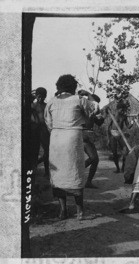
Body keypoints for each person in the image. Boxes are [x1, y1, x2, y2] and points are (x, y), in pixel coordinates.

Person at [44, 74, 95, 220]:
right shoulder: (78, 99)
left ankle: (63, 211)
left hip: (56, 140)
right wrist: (89, 94)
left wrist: (58, 131)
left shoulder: (51, 102)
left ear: (58, 87)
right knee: (75, 172)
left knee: (59, 175)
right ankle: (80, 212)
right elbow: (95, 108)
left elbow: (48, 123)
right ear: (73, 87)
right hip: (72, 139)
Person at [78, 90, 104, 188]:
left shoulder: (91, 110)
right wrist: (88, 94)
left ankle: (86, 180)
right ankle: (77, 173)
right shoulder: (82, 106)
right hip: (82, 134)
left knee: (94, 159)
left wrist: (101, 117)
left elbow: (99, 123)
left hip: (87, 135)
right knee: (94, 158)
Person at [106, 99, 133, 173]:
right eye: (121, 109)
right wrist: (108, 139)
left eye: (123, 110)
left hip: (120, 134)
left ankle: (123, 168)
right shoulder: (113, 115)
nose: (122, 111)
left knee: (125, 151)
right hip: (112, 134)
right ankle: (117, 168)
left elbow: (128, 126)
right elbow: (109, 127)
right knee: (114, 152)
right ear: (118, 109)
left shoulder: (124, 116)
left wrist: (133, 122)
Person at [32, 87, 50, 177]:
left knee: (47, 151)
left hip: (44, 130)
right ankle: (33, 169)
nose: (42, 98)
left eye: (44, 96)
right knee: (35, 150)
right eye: (40, 96)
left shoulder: (46, 105)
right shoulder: (33, 105)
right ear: (37, 95)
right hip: (35, 130)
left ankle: (46, 172)